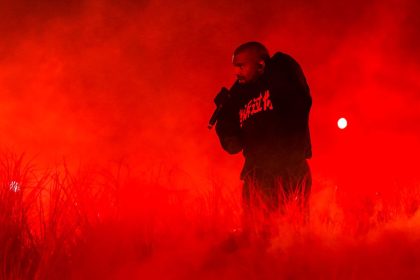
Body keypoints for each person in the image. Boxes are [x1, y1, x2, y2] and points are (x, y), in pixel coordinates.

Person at [213, 42, 312, 240]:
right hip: (256, 175)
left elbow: (301, 99)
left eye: (241, 66)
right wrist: (224, 119)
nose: (236, 72)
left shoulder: (281, 81)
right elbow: (233, 146)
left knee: (291, 233)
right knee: (255, 235)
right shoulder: (239, 98)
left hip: (289, 170)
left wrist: (271, 65)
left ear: (260, 65)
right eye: (235, 66)